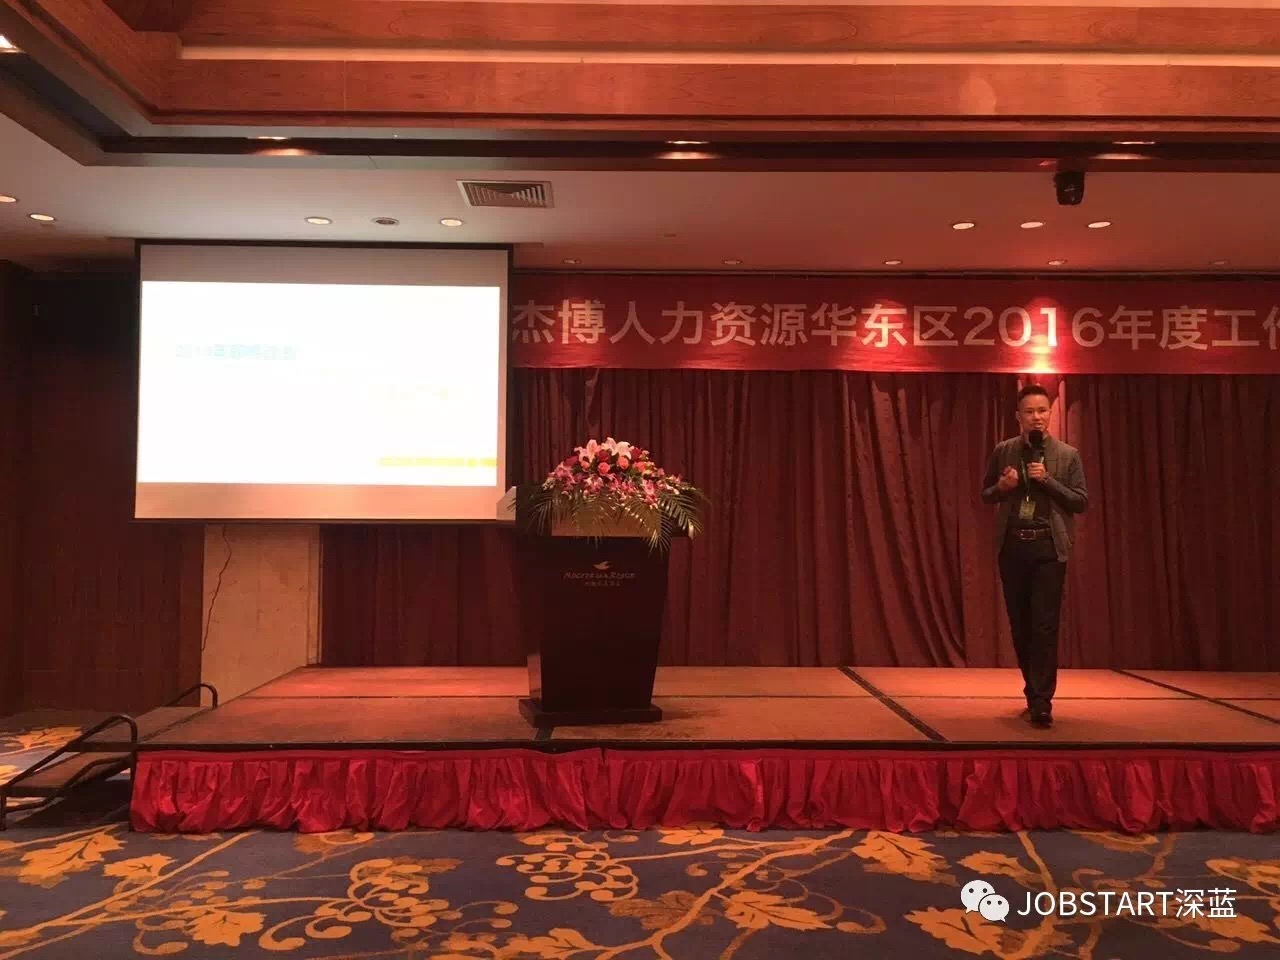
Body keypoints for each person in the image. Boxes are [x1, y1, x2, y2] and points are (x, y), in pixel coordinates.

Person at [981, 384, 1089, 728]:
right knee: (1020, 625)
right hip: (1013, 547)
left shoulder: (1067, 455)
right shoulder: (1004, 450)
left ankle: (1042, 702)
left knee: (1044, 624)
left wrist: (1049, 481)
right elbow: (986, 494)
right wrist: (1003, 487)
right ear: (1018, 417)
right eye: (1029, 412)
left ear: (1050, 413)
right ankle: (1033, 689)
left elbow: (1080, 501)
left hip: (1048, 548)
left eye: (1042, 411)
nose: (1036, 418)